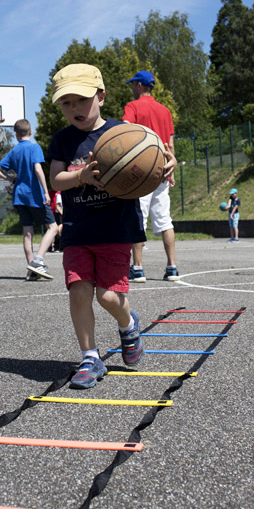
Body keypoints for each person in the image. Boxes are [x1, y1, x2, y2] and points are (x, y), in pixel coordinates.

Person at [47, 63, 146, 389]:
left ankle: (128, 323)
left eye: (81, 100)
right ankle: (90, 357)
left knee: (107, 296)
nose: (74, 108)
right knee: (79, 291)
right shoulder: (62, 140)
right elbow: (56, 179)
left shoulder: (123, 132)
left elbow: (154, 154)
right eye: (66, 103)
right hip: (78, 230)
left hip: (115, 229)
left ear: (101, 96)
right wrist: (81, 176)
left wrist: (166, 161)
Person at [122, 70, 179, 282]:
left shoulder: (133, 106)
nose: (131, 87)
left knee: (138, 218)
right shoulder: (165, 110)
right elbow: (170, 144)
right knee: (165, 220)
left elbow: (126, 131)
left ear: (139, 85)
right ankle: (172, 268)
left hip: (141, 169)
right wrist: (172, 170)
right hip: (162, 169)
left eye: (132, 84)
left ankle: (137, 268)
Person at [0, 118, 58, 280]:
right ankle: (38, 261)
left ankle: (32, 270)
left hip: (19, 196)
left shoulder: (14, 151)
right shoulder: (34, 147)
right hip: (34, 195)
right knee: (53, 228)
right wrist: (46, 192)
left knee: (27, 233)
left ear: (16, 134)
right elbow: (38, 169)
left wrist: (10, 178)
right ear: (31, 131)